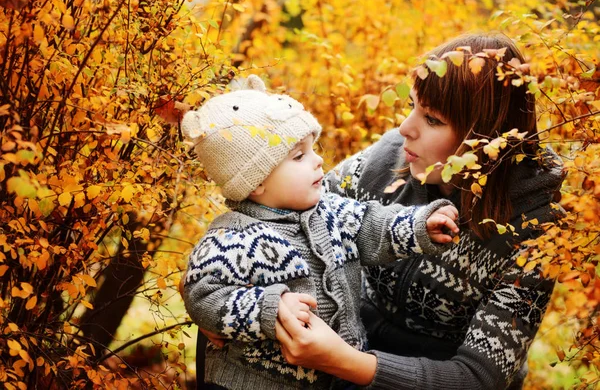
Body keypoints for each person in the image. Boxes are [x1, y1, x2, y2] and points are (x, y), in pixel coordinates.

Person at [273, 33, 565, 389]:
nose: (404, 128)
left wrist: (343, 361)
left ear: (486, 138)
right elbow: (284, 218)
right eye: (412, 106)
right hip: (347, 340)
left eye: (432, 119)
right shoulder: (388, 158)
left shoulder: (536, 224)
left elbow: (479, 377)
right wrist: (238, 299)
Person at [180, 75, 460, 390]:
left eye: (313, 149)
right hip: (251, 381)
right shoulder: (232, 238)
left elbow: (373, 224)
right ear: (255, 182)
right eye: (299, 156)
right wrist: (267, 309)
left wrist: (418, 226)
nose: (319, 161)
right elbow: (202, 294)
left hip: (332, 376)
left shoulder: (332, 211)